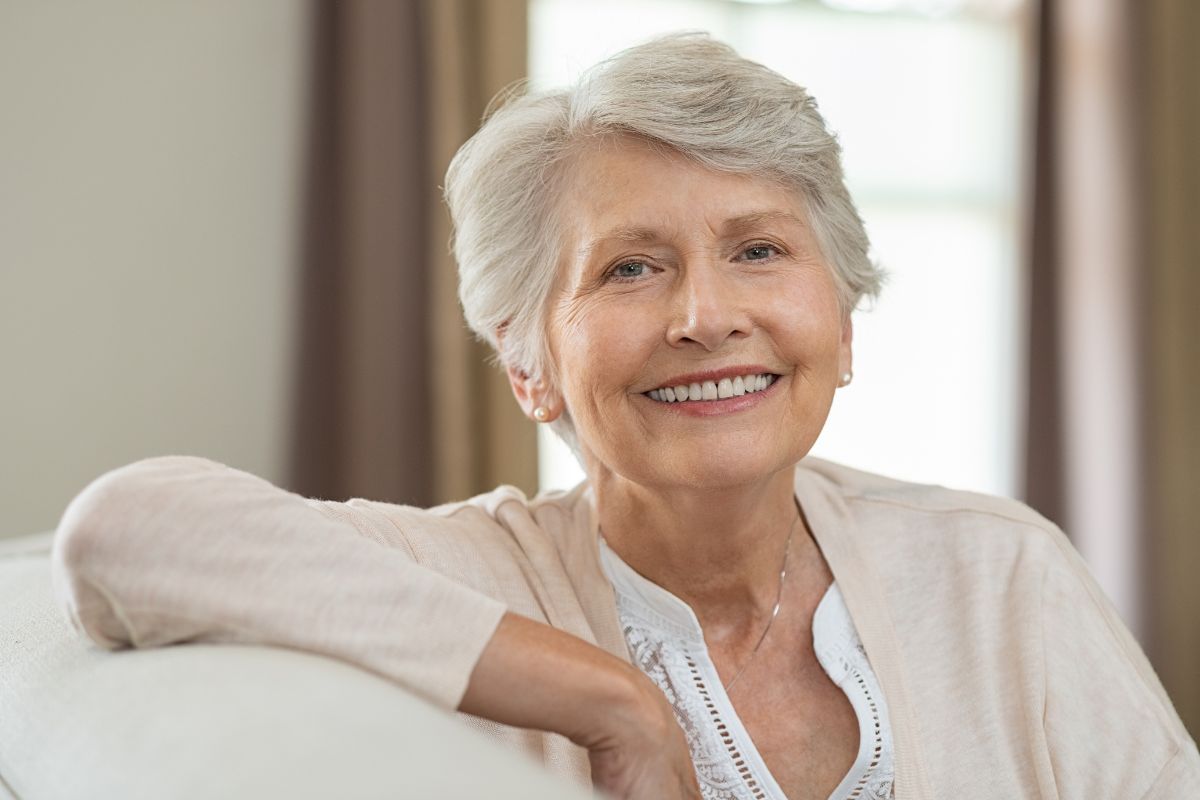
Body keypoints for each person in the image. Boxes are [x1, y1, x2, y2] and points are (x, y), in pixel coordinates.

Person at [52, 34, 1198, 800]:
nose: (706, 316)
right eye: (631, 269)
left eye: (758, 250)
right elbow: (127, 532)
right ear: (529, 366)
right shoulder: (467, 573)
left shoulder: (999, 572)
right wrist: (612, 701)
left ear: (841, 325)